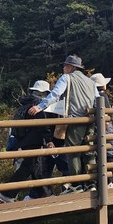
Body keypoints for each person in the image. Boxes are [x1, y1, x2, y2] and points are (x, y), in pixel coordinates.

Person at [28, 55, 98, 193]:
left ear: (72, 67)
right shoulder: (90, 82)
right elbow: (97, 99)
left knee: (73, 152)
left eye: (65, 65)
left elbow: (55, 95)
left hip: (75, 119)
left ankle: (76, 184)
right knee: (89, 151)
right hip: (90, 120)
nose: (63, 68)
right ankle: (92, 184)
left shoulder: (67, 78)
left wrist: (39, 107)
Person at [0, 84, 54, 203]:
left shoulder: (24, 106)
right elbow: (43, 125)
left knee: (36, 168)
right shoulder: (37, 106)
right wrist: (49, 140)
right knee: (28, 167)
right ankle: (6, 195)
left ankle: (42, 194)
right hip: (34, 141)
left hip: (23, 141)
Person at [91, 73, 113, 182]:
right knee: (108, 155)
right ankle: (108, 182)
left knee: (97, 157)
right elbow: (109, 115)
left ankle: (98, 183)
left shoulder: (90, 96)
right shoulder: (103, 96)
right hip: (106, 130)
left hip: (94, 130)